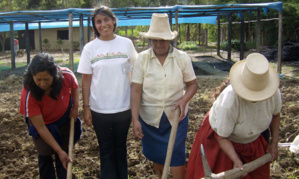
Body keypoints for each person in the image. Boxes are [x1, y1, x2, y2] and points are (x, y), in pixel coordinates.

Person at [185, 53, 282, 179]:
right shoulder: (230, 101)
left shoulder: (273, 93)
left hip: (253, 139)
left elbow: (275, 115)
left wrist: (274, 144)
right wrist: (236, 160)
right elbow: (222, 137)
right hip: (222, 140)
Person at [131, 13, 198, 179]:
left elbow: (193, 85)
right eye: (155, 40)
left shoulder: (181, 58)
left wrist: (184, 100)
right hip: (150, 117)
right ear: (150, 40)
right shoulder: (142, 59)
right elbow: (136, 89)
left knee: (176, 153)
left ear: (169, 40)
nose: (159, 44)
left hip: (176, 114)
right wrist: (135, 119)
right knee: (156, 153)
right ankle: (162, 176)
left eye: (162, 40)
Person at [77, 6, 138, 179]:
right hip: (99, 109)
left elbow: (135, 71)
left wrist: (135, 104)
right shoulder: (90, 48)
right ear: (94, 26)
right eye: (98, 21)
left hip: (123, 108)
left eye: (106, 20)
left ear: (113, 21)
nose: (103, 24)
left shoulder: (126, 44)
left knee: (120, 148)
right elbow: (86, 80)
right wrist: (87, 107)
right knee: (106, 150)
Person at [19, 53, 82, 179]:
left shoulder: (66, 76)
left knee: (65, 155)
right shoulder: (29, 93)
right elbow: (41, 127)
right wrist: (58, 151)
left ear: (54, 75)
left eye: (46, 79)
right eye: (38, 80)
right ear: (32, 77)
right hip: (43, 125)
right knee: (45, 155)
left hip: (63, 118)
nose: (43, 84)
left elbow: (74, 87)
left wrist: (75, 107)